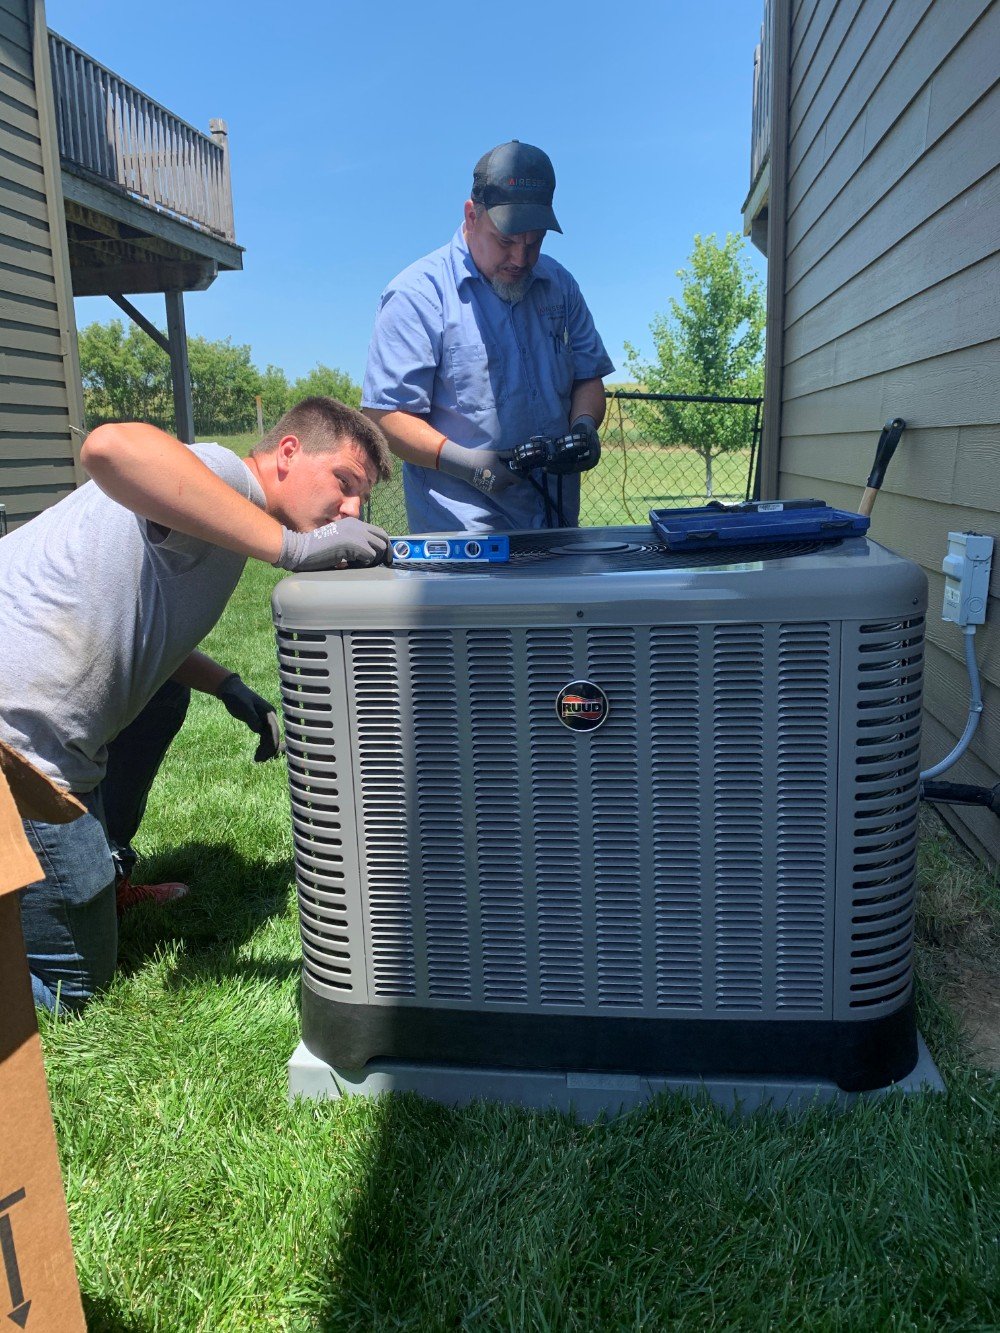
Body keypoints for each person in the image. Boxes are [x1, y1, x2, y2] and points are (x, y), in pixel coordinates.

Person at [0, 396, 391, 1012]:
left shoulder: (218, 519)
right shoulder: (223, 474)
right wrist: (289, 550)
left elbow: (140, 626)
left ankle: (105, 870)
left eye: (361, 499)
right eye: (345, 484)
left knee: (165, 694)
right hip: (18, 747)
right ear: (287, 452)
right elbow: (109, 447)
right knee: (70, 988)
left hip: (41, 733)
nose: (351, 510)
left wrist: (227, 684)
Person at [362, 140, 615, 533]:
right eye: (506, 241)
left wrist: (584, 426)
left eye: (534, 243)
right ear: (471, 216)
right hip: (462, 539)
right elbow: (386, 416)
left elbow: (587, 376)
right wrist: (468, 466)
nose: (521, 258)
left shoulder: (559, 286)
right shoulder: (417, 295)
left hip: (556, 526)